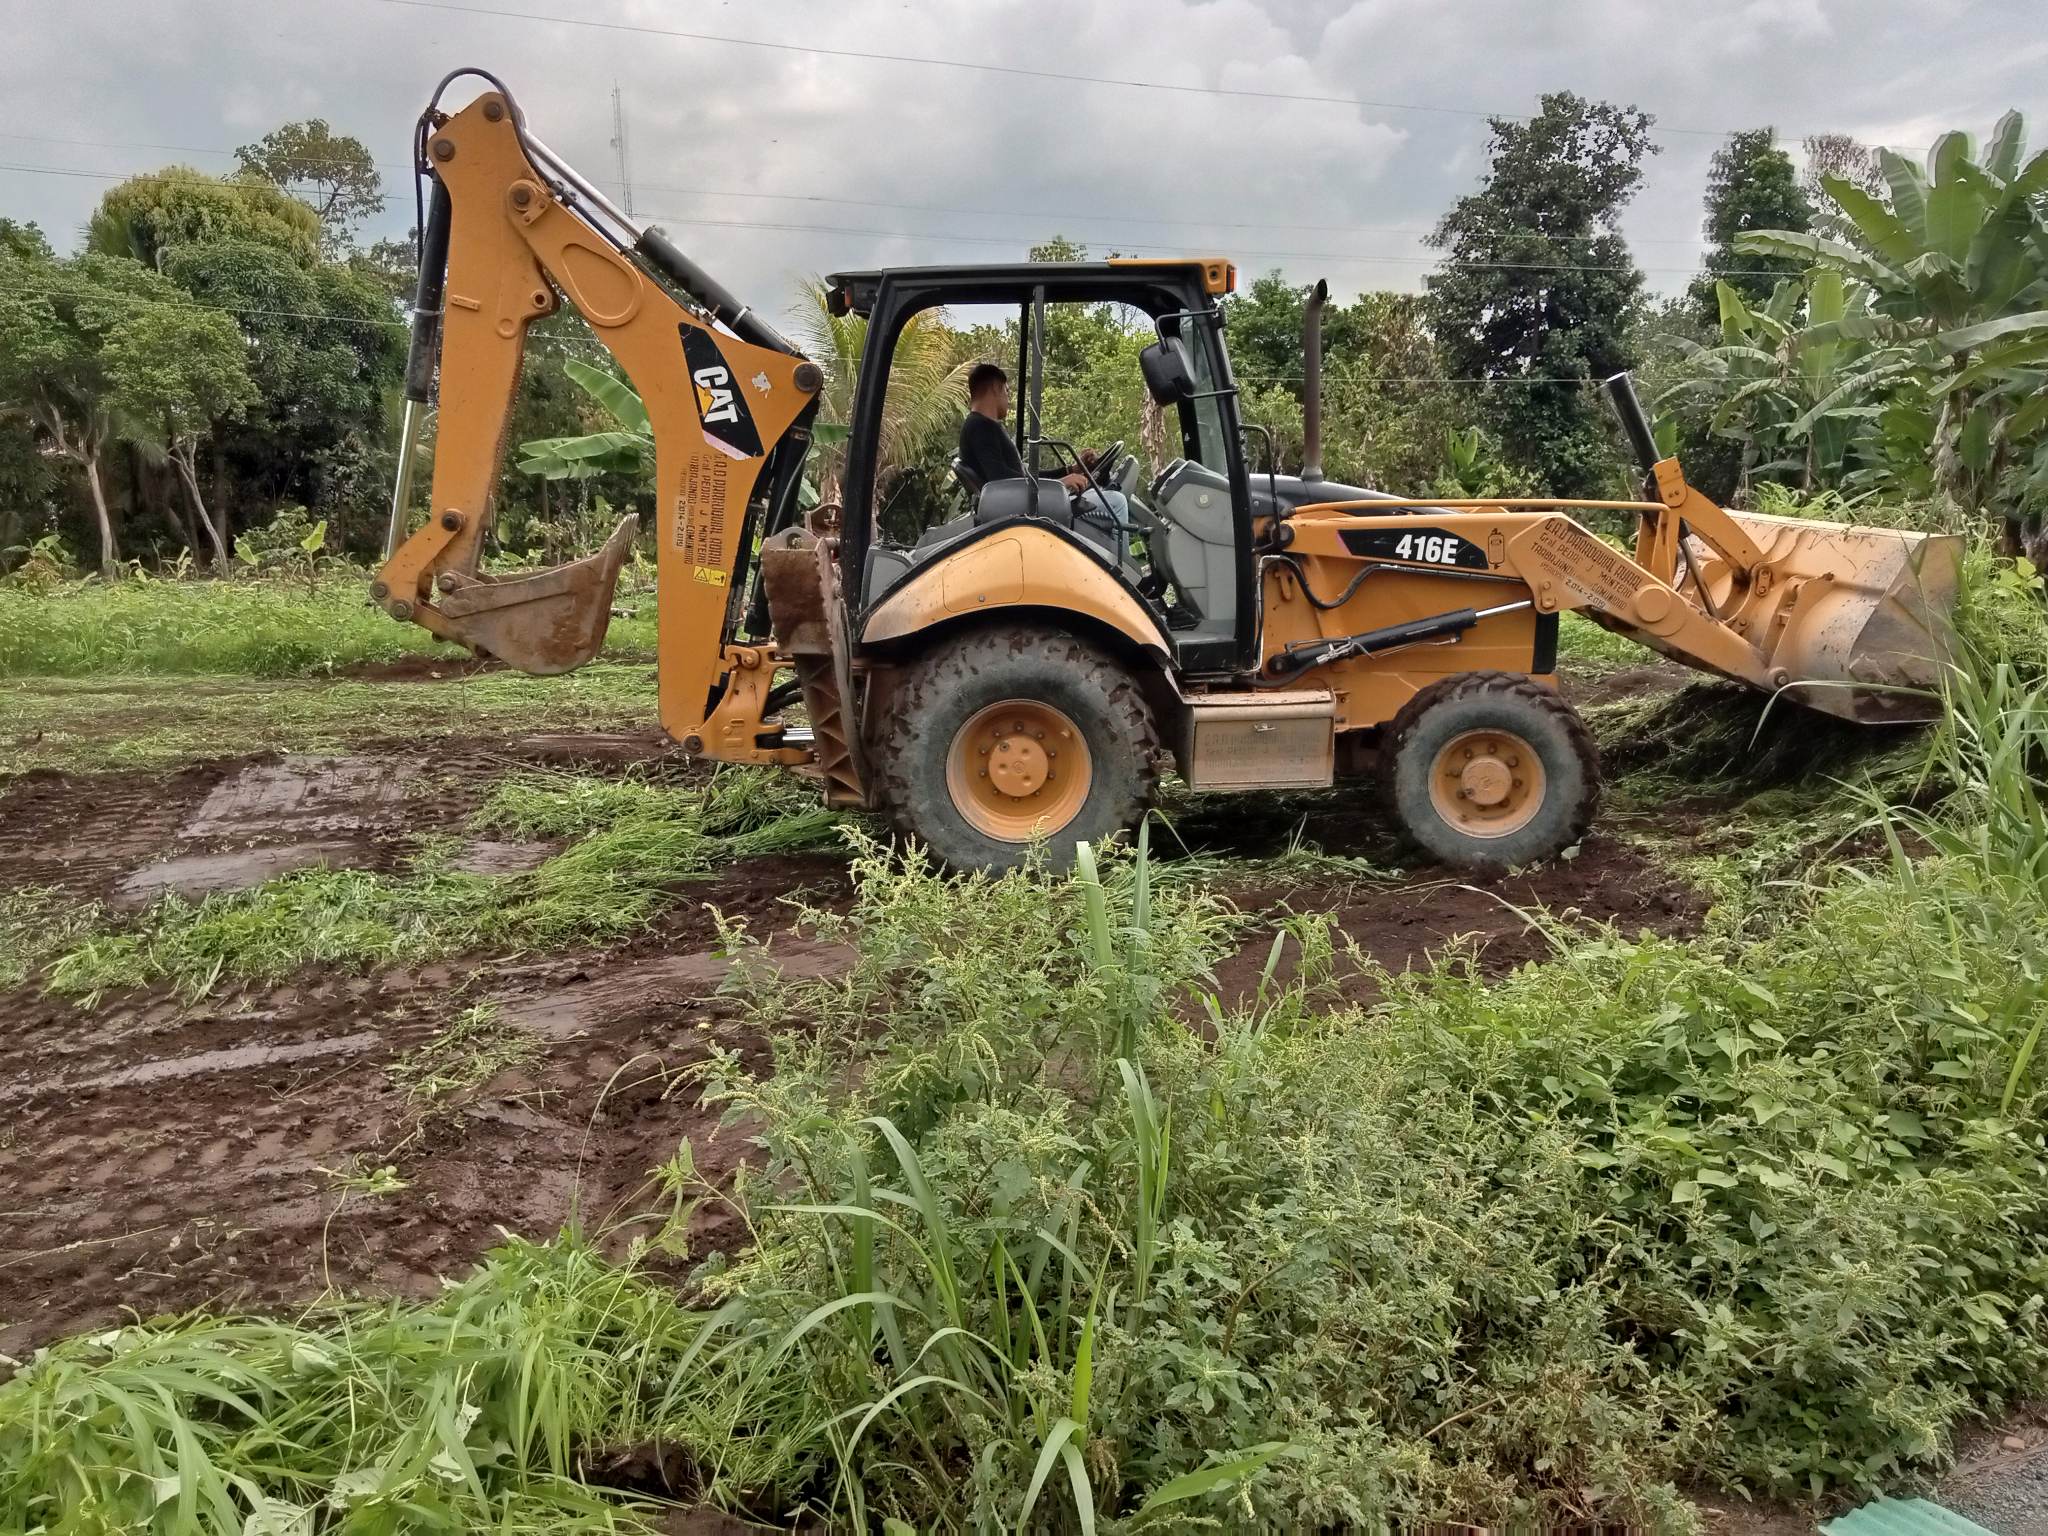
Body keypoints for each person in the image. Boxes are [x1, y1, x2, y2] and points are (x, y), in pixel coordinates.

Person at [958, 363, 1127, 524]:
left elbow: (1024, 476)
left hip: (1026, 502)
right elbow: (1003, 481)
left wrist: (1070, 470)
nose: (1008, 399)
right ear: (996, 388)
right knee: (1117, 502)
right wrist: (1060, 484)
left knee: (1107, 497)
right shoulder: (980, 428)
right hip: (1024, 510)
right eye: (1006, 391)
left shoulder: (983, 426)